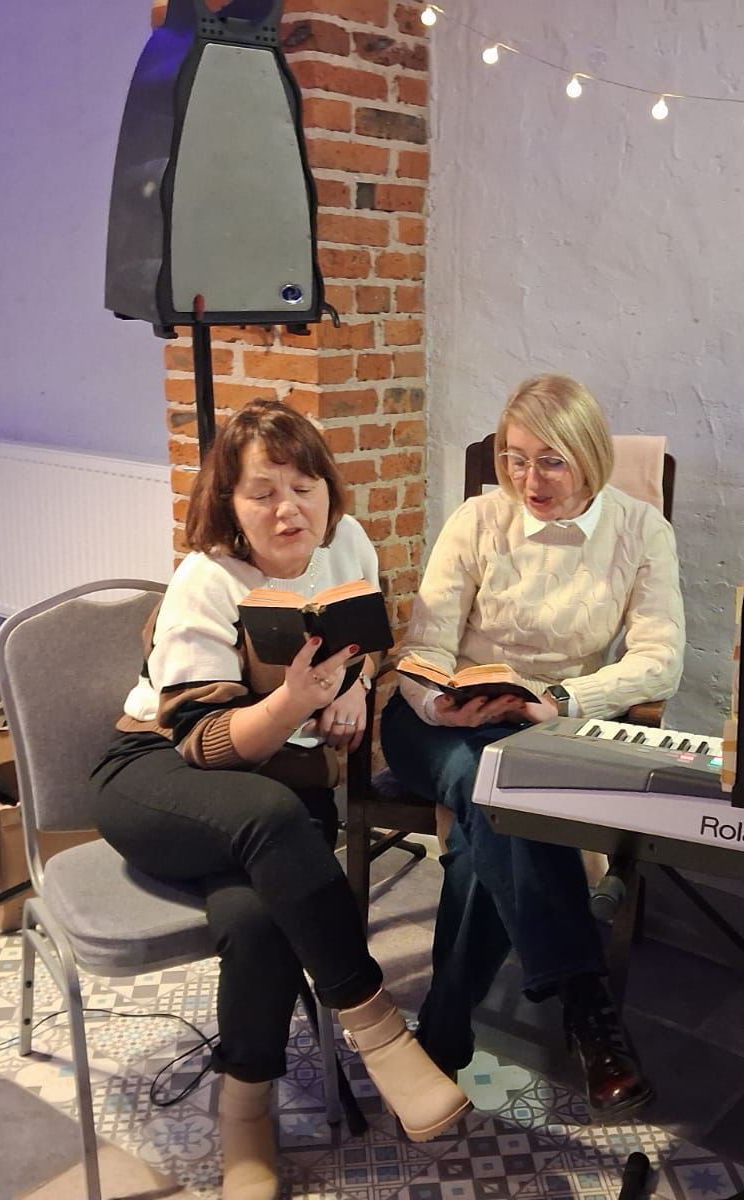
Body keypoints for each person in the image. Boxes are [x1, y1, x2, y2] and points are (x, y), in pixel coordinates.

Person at [92, 400, 469, 1200]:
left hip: (281, 791)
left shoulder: (348, 544)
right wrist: (295, 701)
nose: (288, 509)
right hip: (159, 775)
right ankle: (380, 1033)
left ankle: (244, 1117)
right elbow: (203, 743)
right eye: (262, 492)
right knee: (269, 818)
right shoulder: (207, 581)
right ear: (229, 504)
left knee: (258, 916)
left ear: (328, 490)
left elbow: (366, 646)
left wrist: (356, 685)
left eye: (304, 487)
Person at [380, 373, 686, 1121]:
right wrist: (439, 701)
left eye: (551, 461)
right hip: (439, 723)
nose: (529, 480)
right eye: (514, 459)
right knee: (492, 785)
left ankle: (442, 1032)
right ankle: (588, 1006)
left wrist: (565, 700)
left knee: (487, 823)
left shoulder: (640, 530)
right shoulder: (478, 519)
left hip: (545, 726)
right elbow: (425, 646)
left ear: (589, 456)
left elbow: (660, 660)